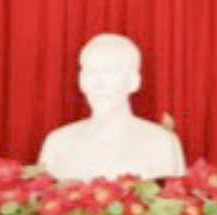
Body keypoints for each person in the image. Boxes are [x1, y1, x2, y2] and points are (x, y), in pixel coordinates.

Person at [38, 34, 189, 182]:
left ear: (134, 81)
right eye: (90, 72)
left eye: (110, 72)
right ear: (81, 80)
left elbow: (172, 195)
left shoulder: (160, 143)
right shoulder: (57, 143)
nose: (98, 84)